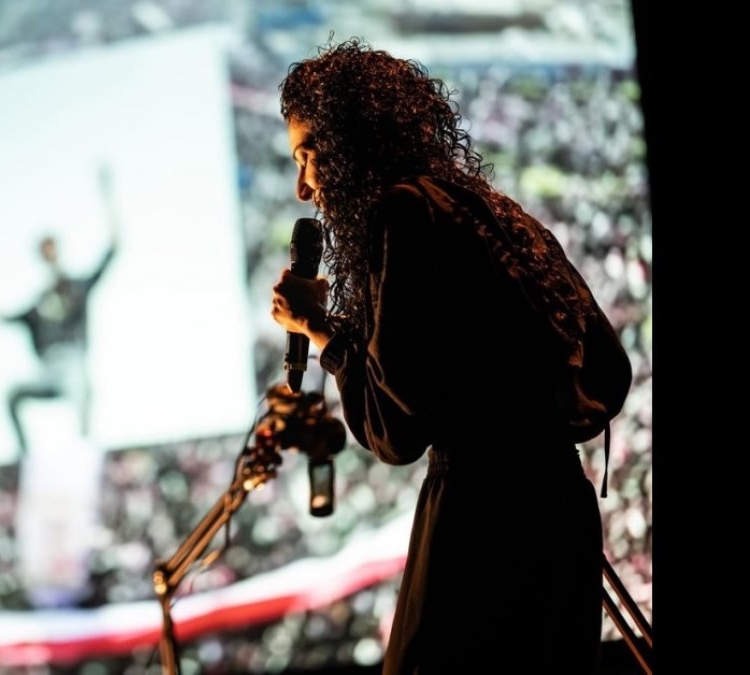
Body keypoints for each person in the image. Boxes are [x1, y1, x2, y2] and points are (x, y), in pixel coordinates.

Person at [270, 39, 632, 674]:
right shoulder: (490, 210)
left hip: (482, 526)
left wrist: (319, 331)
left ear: (351, 142)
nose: (304, 188)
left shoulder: (402, 212)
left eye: (309, 155)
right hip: (561, 511)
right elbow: (606, 366)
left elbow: (396, 429)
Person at [0, 165, 120, 458]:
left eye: (53, 250)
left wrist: (107, 196)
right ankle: (25, 456)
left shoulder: (77, 288)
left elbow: (112, 247)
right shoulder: (37, 305)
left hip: (72, 362)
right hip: (45, 369)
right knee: (12, 394)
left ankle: (82, 452)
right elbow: (0, 318)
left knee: (83, 391)